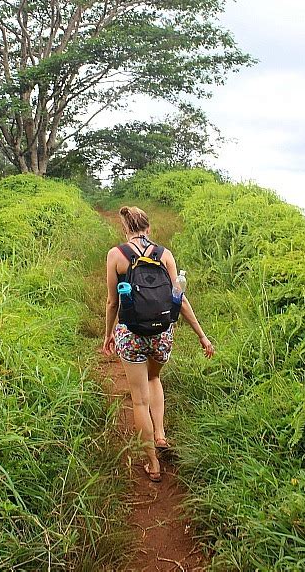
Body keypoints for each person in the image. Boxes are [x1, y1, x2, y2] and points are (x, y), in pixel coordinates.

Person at [102, 205, 215, 482]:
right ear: (148, 228)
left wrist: (108, 335)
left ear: (125, 229)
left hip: (131, 334)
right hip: (162, 333)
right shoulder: (165, 255)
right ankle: (161, 434)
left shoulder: (116, 255)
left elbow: (112, 301)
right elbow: (180, 298)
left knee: (139, 401)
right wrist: (201, 335)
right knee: (154, 378)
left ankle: (153, 463)